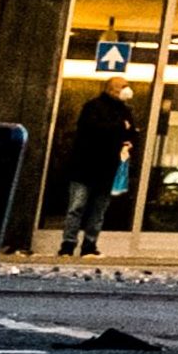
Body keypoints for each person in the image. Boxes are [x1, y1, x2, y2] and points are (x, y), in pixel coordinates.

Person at [44, 83, 137, 257]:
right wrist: (120, 128)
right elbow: (94, 130)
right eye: (123, 86)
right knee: (77, 206)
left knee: (98, 209)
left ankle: (89, 244)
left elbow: (130, 132)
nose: (127, 89)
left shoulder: (125, 110)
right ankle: (68, 244)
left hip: (107, 168)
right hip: (85, 166)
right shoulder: (93, 107)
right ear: (113, 89)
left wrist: (127, 139)